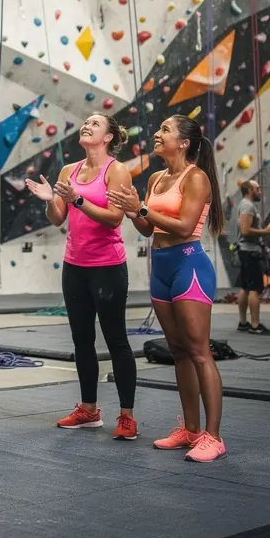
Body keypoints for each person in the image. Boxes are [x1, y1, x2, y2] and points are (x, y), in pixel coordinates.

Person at [107, 114, 226, 463]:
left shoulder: (197, 178)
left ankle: (213, 436)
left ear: (184, 142)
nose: (157, 135)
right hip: (160, 267)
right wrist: (133, 210)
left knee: (199, 351)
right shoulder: (157, 178)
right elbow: (148, 229)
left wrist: (141, 208)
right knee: (177, 350)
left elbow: (186, 224)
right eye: (158, 129)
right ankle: (190, 429)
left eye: (165, 131)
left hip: (189, 266)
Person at [26, 114, 138, 440]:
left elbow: (114, 219)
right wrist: (51, 202)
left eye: (95, 124)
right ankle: (89, 410)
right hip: (74, 266)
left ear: (108, 137)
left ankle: (127, 417)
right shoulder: (68, 171)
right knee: (81, 341)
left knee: (116, 340)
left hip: (108, 266)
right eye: (85, 122)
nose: (86, 126)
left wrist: (77, 198)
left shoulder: (116, 170)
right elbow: (58, 218)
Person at [233, 180, 270, 335]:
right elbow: (245, 231)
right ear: (250, 190)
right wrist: (265, 231)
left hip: (247, 251)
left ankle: (243, 323)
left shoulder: (246, 205)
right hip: (250, 252)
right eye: (258, 189)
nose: (260, 191)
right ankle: (255, 325)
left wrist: (266, 231)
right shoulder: (247, 206)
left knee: (245, 287)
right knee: (255, 288)